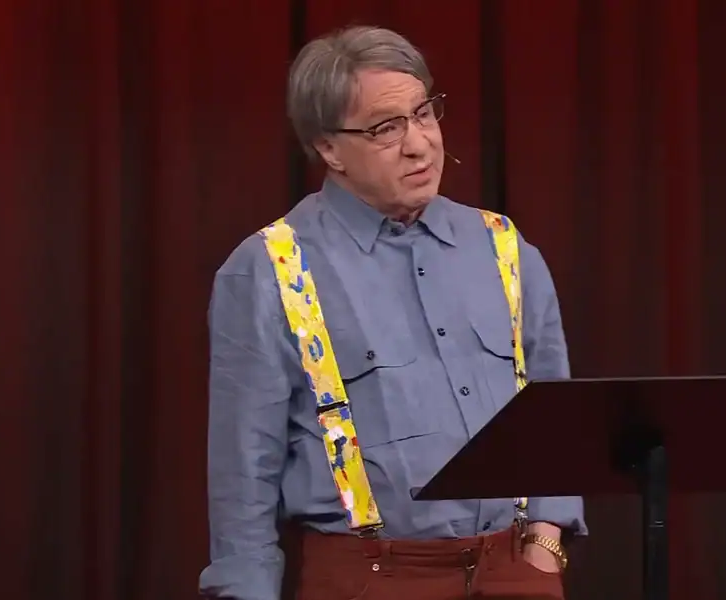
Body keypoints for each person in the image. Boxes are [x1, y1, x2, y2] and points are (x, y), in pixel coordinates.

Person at [200, 25, 586, 600]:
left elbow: (554, 412)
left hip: (514, 569)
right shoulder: (270, 269)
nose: (420, 144)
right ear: (329, 149)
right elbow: (243, 472)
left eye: (424, 114)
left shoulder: (502, 246)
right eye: (385, 128)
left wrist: (543, 547)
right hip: (370, 577)